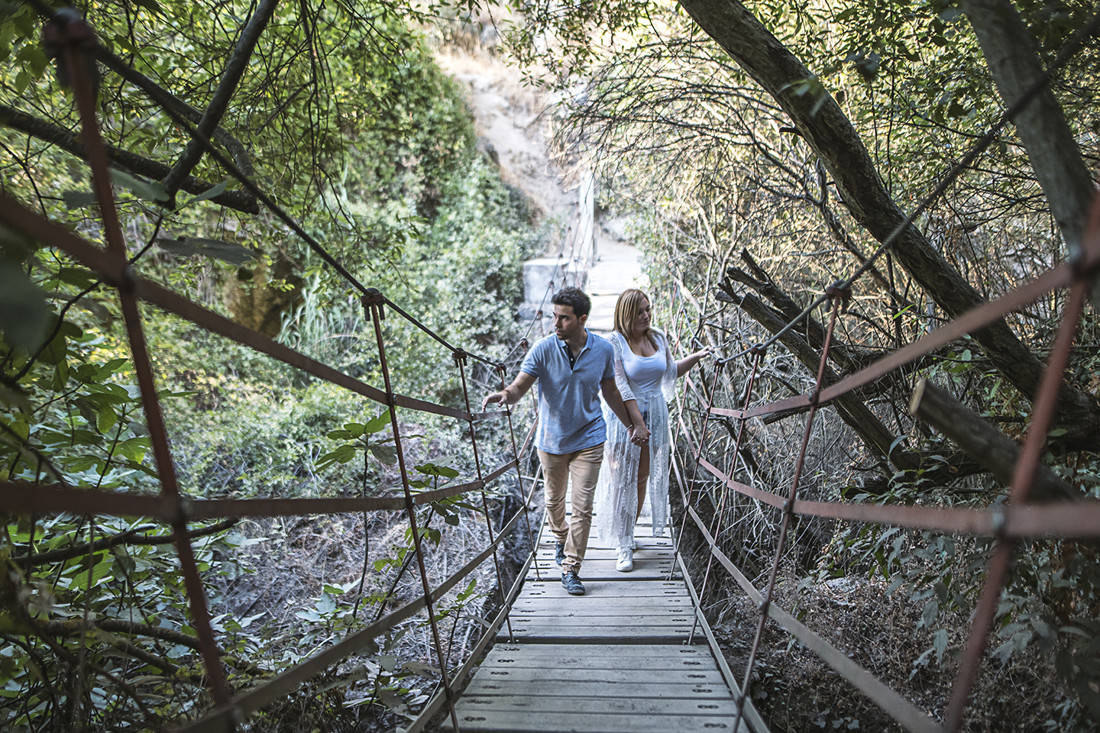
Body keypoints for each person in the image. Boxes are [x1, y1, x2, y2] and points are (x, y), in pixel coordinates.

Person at [483, 286, 642, 596]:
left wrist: (630, 425)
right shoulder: (542, 349)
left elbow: (610, 392)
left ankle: (571, 567)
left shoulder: (603, 350)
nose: (555, 324)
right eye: (554, 317)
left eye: (563, 319)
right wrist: (506, 395)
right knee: (555, 504)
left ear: (582, 319)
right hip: (551, 441)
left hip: (590, 437)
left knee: (582, 507)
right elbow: (519, 386)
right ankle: (559, 537)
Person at [595, 288, 712, 572]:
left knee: (642, 477)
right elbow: (620, 386)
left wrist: (697, 356)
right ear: (626, 314)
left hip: (656, 414)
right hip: (625, 417)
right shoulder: (614, 343)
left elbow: (669, 372)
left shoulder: (657, 336)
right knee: (623, 478)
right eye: (639, 311)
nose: (646, 315)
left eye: (648, 309)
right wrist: (636, 423)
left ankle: (629, 531)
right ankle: (623, 543)